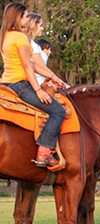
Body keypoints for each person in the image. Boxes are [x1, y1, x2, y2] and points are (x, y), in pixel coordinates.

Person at [1, 3, 68, 167]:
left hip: (6, 83)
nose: (26, 18)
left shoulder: (5, 36)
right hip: (20, 85)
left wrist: (53, 77)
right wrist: (38, 90)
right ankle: (43, 155)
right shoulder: (20, 37)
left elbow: (32, 64)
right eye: (24, 16)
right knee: (58, 111)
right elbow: (27, 66)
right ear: (17, 17)